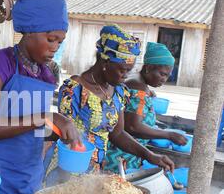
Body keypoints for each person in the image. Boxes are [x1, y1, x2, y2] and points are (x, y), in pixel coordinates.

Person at [0, 0, 81, 194]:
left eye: (59, 42)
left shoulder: (46, 73)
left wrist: (61, 133)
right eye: (51, 39)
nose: (55, 48)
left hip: (29, 178)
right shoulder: (0, 62)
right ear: (29, 31)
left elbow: (34, 129)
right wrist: (46, 117)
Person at [45, 24, 175, 175]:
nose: (126, 76)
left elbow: (117, 134)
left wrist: (150, 155)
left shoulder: (118, 92)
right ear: (105, 63)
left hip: (95, 172)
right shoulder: (75, 89)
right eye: (123, 70)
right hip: (68, 167)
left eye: (129, 70)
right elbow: (64, 135)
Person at [104, 42, 187, 172]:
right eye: (162, 74)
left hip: (128, 153)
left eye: (167, 76)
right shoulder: (139, 89)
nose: (164, 79)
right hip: (120, 157)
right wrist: (169, 135)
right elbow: (132, 127)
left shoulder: (138, 83)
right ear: (148, 68)